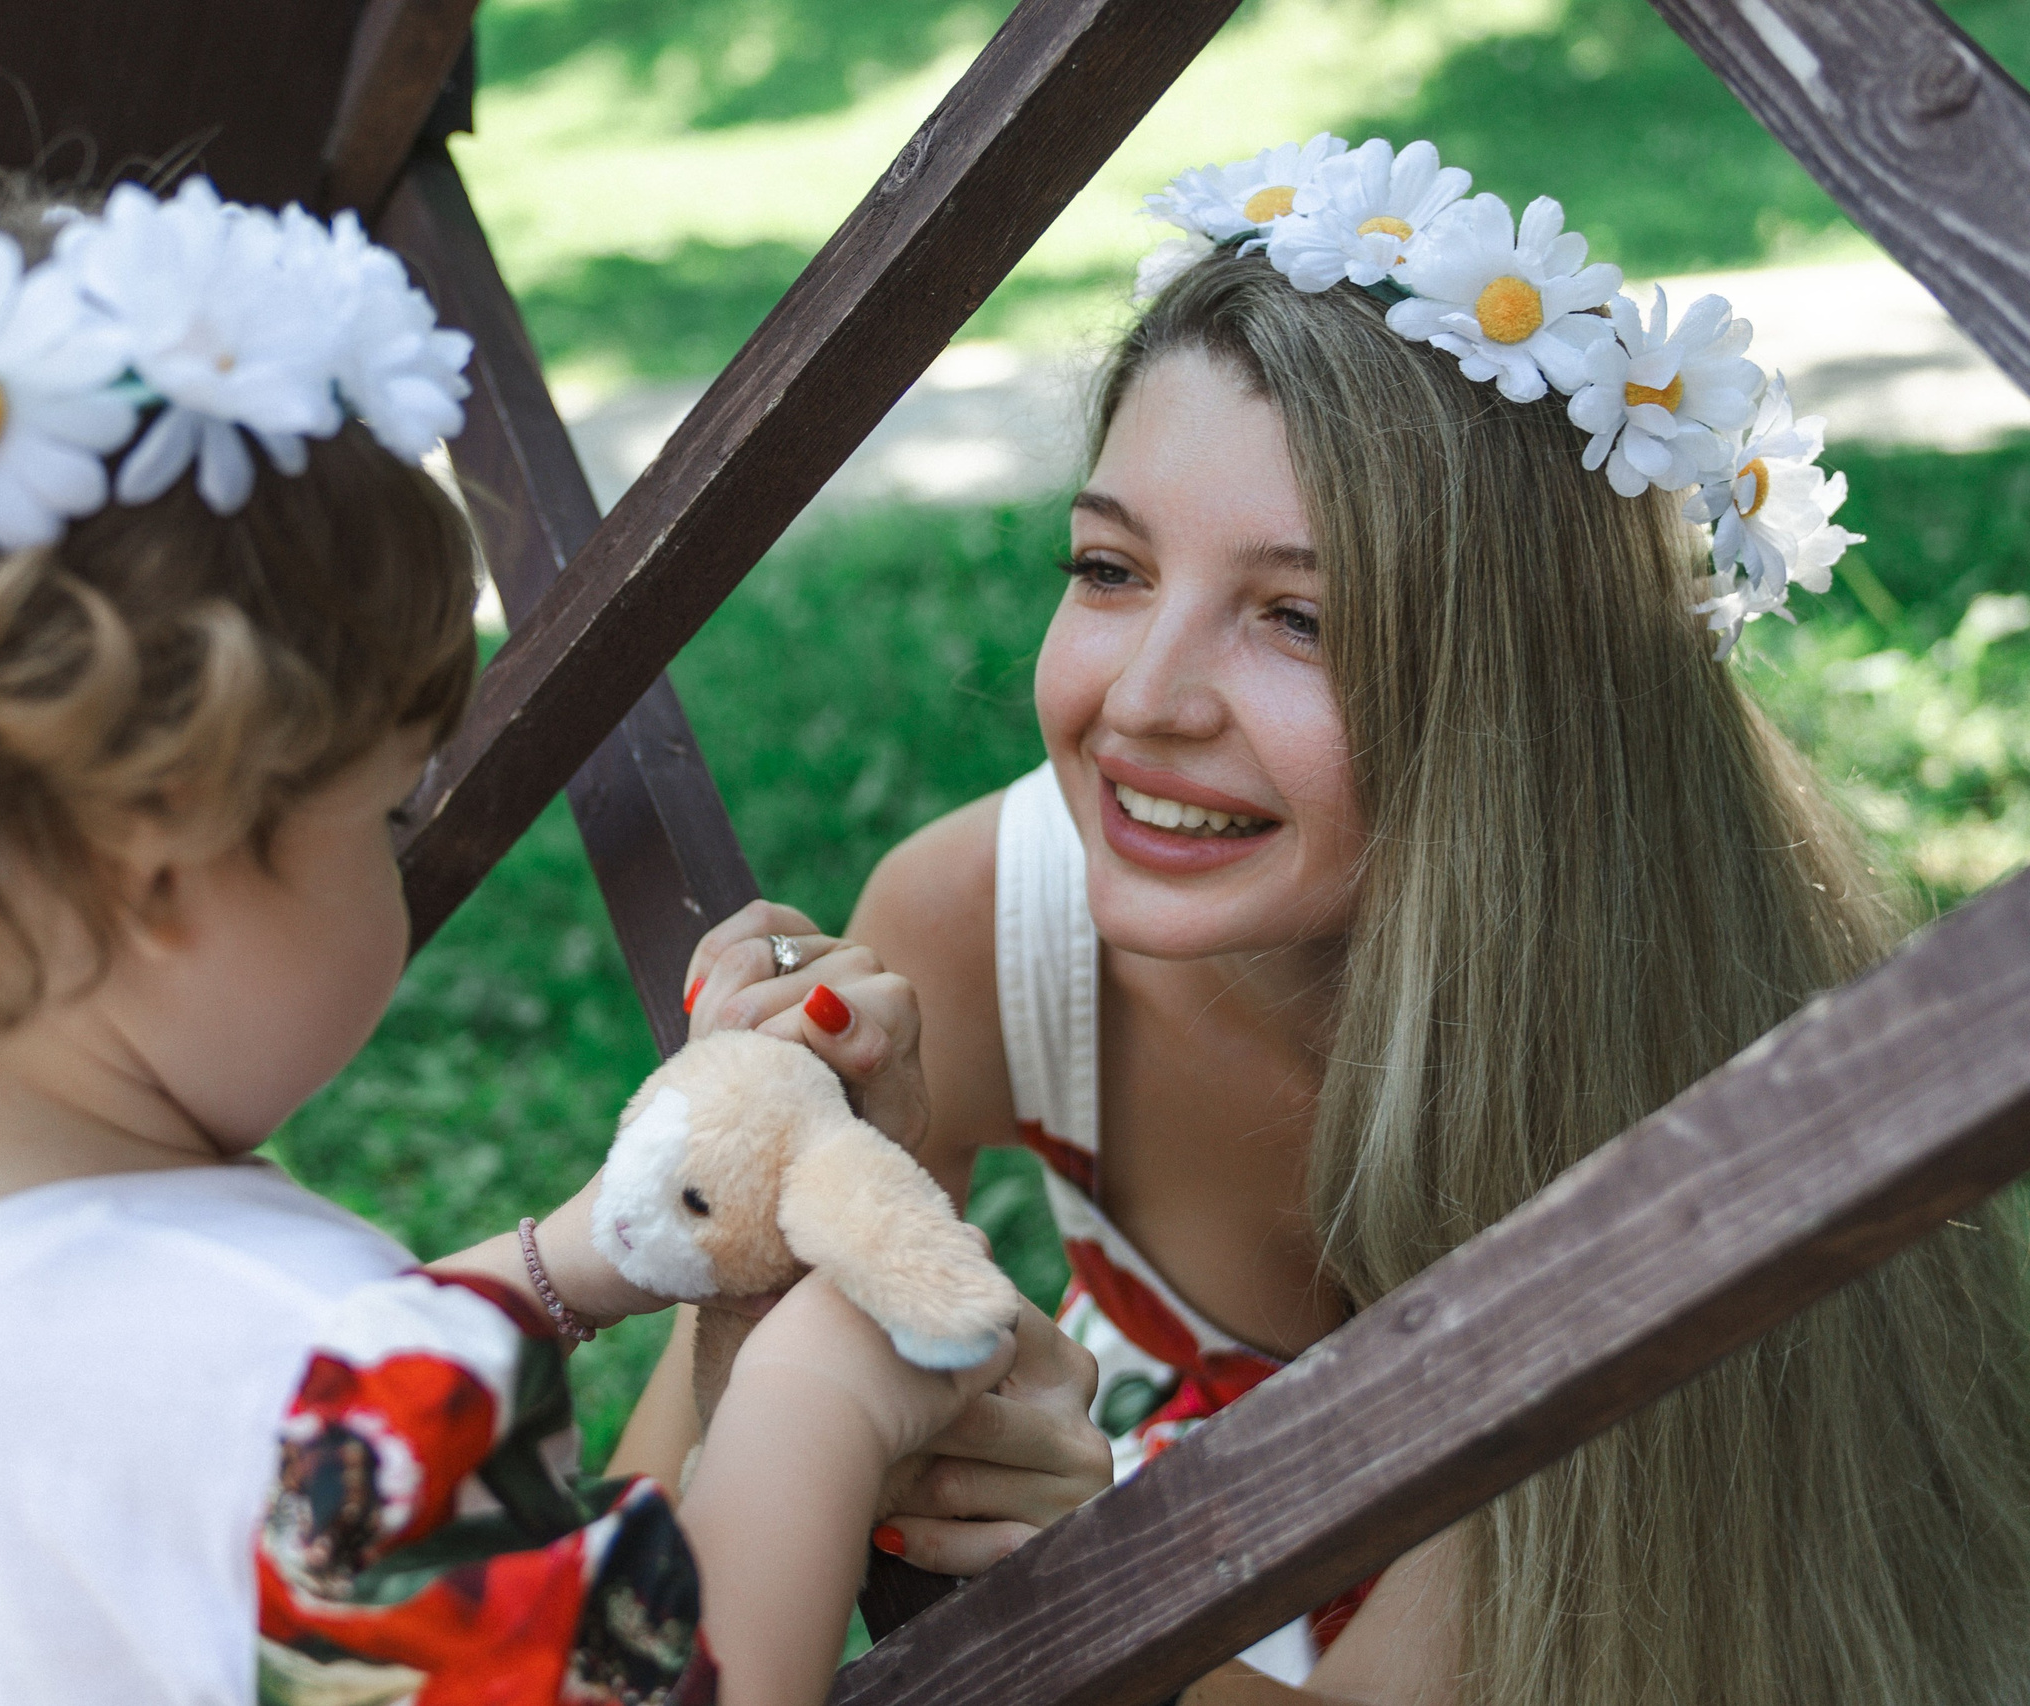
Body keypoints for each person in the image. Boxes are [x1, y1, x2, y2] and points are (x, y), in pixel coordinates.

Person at [0, 160, 1023, 1706]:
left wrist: (591, 1252)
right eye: (383, 818)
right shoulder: (316, 1363)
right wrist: (825, 1391)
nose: (402, 861)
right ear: (156, 870)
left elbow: (243, 1438)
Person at [620, 136, 2030, 1704]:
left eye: (1299, 616)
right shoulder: (982, 920)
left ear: (1527, 701)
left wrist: (1073, 1579)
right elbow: (608, 1599)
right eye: (1110, 568)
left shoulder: (1650, 1101)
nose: (1145, 701)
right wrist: (764, 1251)